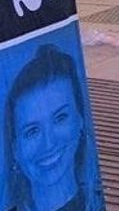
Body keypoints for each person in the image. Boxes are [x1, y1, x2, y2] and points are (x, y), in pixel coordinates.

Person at [5, 45, 103, 211]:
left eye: (60, 118)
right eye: (32, 131)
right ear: (15, 150)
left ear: (80, 120)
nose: (49, 143)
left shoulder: (97, 203)